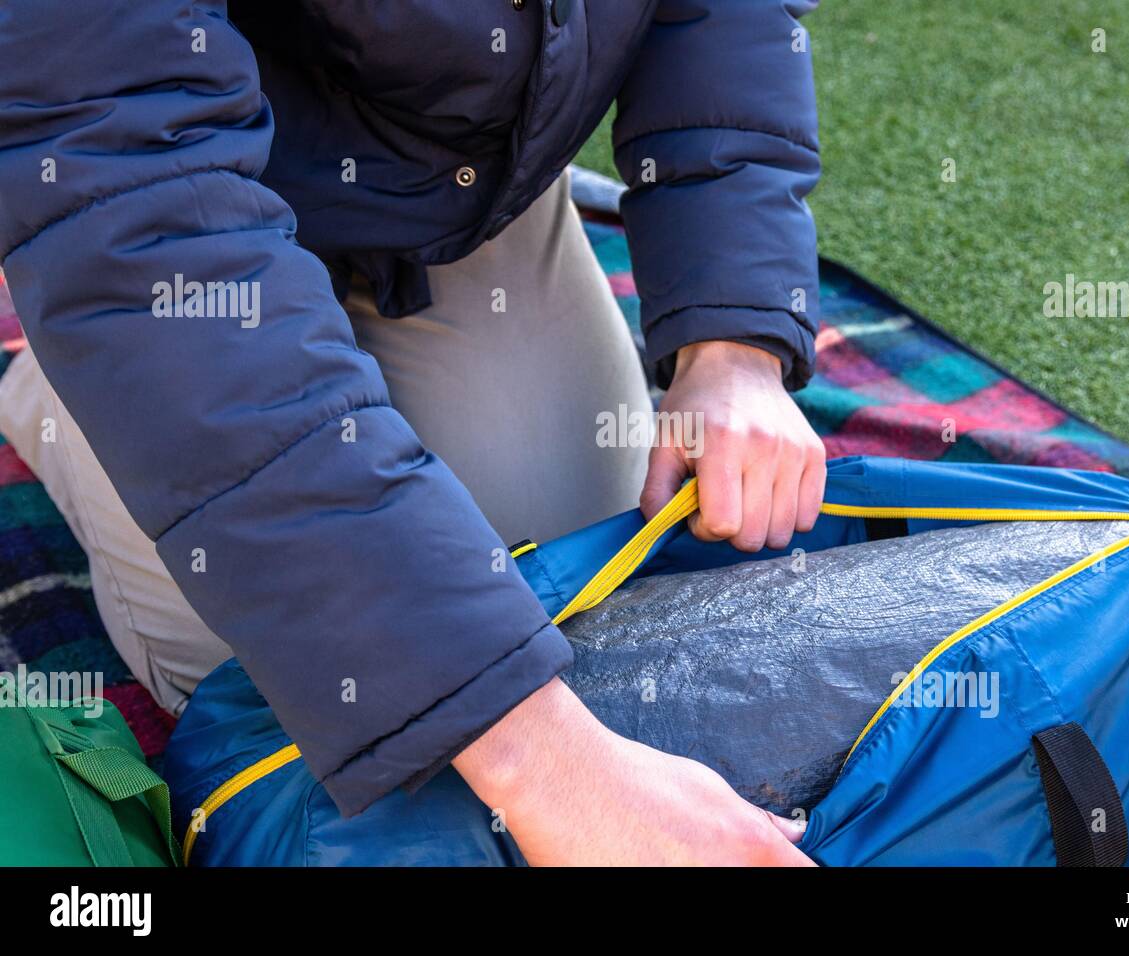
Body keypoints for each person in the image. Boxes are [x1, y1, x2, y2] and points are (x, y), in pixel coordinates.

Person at [0, 0, 824, 865]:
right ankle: (64, 381)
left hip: (448, 170)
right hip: (162, 221)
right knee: (271, 683)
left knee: (554, 551)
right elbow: (132, 194)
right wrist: (543, 762)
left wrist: (733, 339)